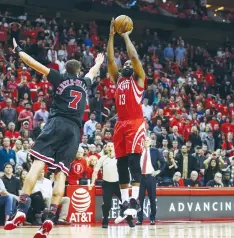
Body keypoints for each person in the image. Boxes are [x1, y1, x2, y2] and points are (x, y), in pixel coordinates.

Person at [4, 38, 104, 238]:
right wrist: (99, 62)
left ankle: (21, 209)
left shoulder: (60, 77)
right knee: (61, 174)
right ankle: (51, 218)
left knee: (38, 165)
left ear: (66, 70)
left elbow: (34, 64)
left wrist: (18, 50)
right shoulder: (84, 83)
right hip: (75, 132)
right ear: (78, 72)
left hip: (58, 123)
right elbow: (92, 73)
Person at [107, 18, 146, 223]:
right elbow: (111, 60)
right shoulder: (118, 78)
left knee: (133, 162)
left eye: (131, 64)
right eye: (127, 64)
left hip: (135, 122)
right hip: (120, 123)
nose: (129, 63)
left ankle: (135, 202)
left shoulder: (138, 79)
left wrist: (125, 36)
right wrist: (111, 35)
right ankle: (125, 203)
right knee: (121, 164)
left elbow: (133, 56)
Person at [89, 142, 134, 228]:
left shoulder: (120, 158)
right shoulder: (102, 159)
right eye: (108, 146)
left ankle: (129, 219)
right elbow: (95, 171)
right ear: (106, 149)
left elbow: (127, 171)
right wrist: (92, 182)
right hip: (107, 184)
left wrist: (129, 182)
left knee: (125, 203)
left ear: (115, 148)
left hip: (119, 184)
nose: (110, 148)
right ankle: (105, 219)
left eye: (111, 146)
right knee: (107, 204)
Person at [136, 137, 165, 225]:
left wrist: (158, 171)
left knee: (152, 199)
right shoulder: (138, 152)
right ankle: (139, 219)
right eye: (144, 140)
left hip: (151, 177)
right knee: (140, 200)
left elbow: (163, 163)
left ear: (150, 142)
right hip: (141, 178)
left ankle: (152, 218)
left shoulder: (155, 151)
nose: (146, 142)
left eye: (147, 140)